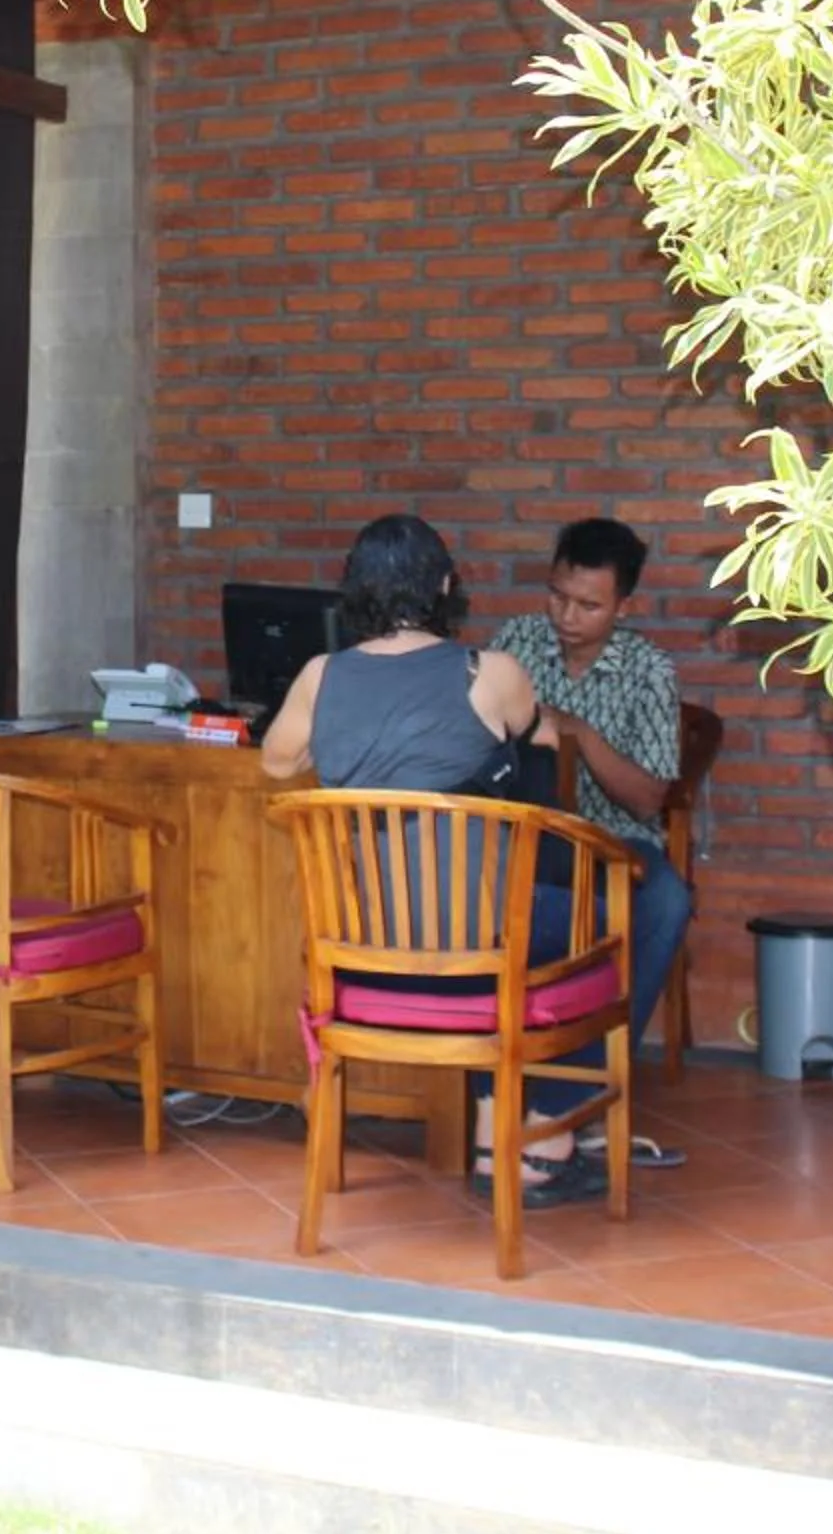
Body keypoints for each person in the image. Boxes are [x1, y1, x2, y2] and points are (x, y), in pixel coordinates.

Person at [259, 513, 605, 1206]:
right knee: (585, 922)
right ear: (447, 584)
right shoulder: (491, 673)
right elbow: (535, 737)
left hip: (365, 957)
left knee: (522, 924)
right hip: (475, 951)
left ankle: (494, 1128)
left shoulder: (320, 675)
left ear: (354, 589)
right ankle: (538, 1142)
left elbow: (276, 763)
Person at [487, 516, 692, 1170]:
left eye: (589, 604)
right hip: (531, 833)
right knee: (497, 899)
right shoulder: (515, 644)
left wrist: (577, 732)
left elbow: (651, 797)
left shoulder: (649, 670)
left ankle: (588, 1085)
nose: (567, 615)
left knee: (665, 903)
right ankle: (506, 1087)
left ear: (624, 606)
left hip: (617, 841)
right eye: (558, 596)